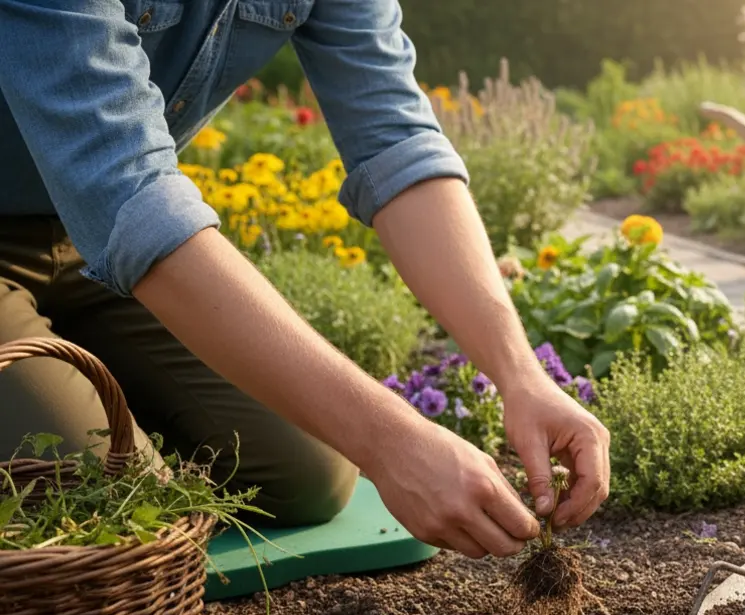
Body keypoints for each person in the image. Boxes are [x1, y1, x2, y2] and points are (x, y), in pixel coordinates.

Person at [0, 0, 611, 559]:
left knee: (309, 476)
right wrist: (393, 444)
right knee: (116, 508)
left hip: (94, 245)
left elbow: (395, 143)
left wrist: (521, 377)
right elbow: (126, 188)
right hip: (111, 213)